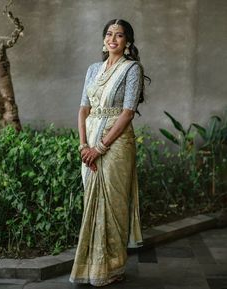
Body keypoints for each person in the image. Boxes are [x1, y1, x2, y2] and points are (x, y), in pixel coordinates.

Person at [70, 19, 148, 287]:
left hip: (116, 145)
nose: (113, 38)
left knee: (113, 204)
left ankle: (112, 268)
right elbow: (83, 108)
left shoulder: (132, 69)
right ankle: (91, 267)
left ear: (127, 41)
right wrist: (83, 146)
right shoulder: (93, 69)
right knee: (91, 202)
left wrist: (100, 148)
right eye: (109, 34)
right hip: (89, 141)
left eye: (120, 34)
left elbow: (127, 113)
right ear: (104, 39)